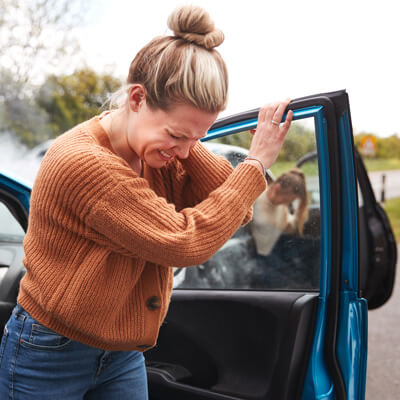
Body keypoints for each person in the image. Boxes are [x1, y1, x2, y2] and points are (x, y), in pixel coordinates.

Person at [0, 5, 293, 399]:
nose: (186, 151)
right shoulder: (84, 163)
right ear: (137, 97)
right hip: (51, 350)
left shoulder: (159, 151)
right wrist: (255, 163)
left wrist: (186, 143)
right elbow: (185, 241)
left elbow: (236, 209)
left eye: (198, 138)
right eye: (177, 134)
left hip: (121, 351)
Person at [251, 168, 309, 256]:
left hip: (273, 253)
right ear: (276, 188)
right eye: (285, 199)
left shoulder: (282, 207)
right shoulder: (255, 199)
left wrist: (299, 214)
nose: (286, 204)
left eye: (290, 202)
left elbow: (289, 227)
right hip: (252, 254)